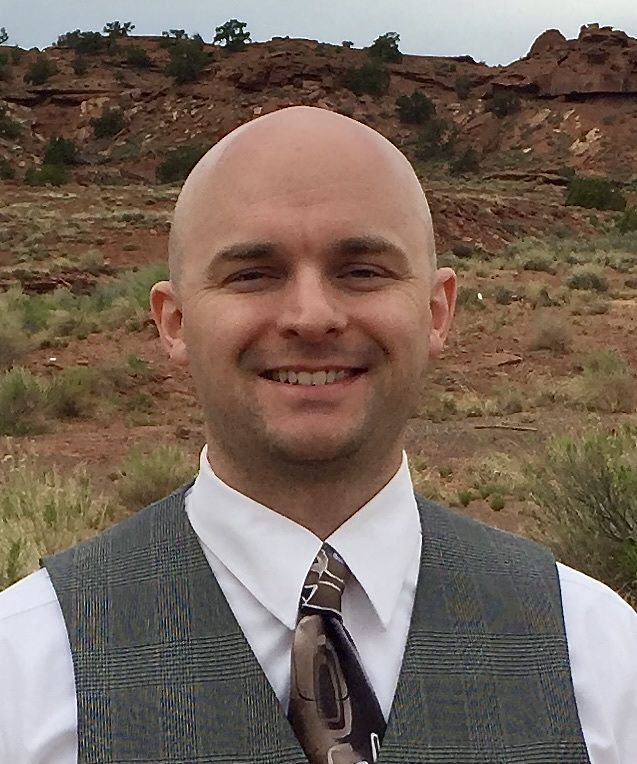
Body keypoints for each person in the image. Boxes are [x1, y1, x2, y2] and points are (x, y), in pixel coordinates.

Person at [0, 106, 635, 764]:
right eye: (253, 274)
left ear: (436, 311)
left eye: (361, 270)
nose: (310, 317)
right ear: (175, 322)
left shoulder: (595, 653)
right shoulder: (24, 671)